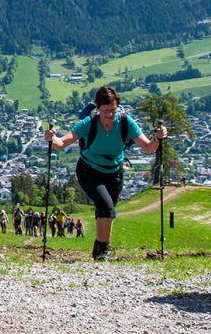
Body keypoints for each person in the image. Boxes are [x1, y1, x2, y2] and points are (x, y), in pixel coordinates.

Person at [45, 86, 167, 261]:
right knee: (106, 208)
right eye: (105, 110)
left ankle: (99, 249)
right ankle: (103, 252)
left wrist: (158, 138)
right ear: (97, 108)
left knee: (106, 211)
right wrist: (51, 137)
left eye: (113, 110)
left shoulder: (126, 122)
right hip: (89, 171)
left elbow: (148, 148)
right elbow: (61, 142)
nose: (110, 114)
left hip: (114, 173)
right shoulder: (90, 122)